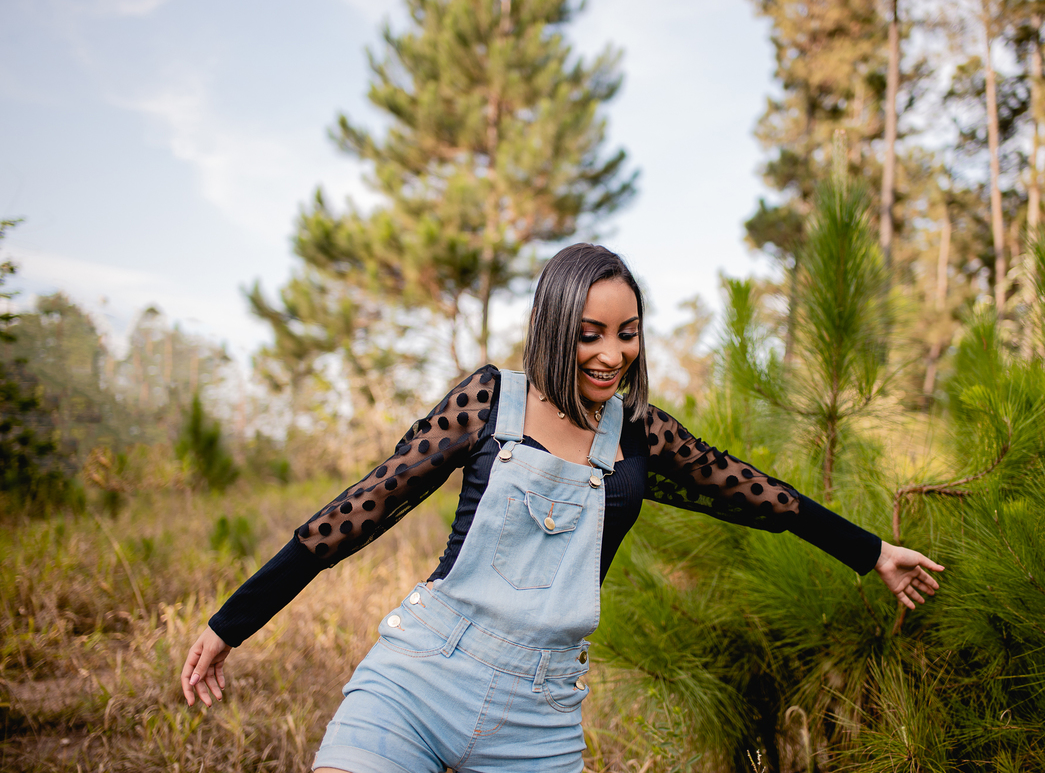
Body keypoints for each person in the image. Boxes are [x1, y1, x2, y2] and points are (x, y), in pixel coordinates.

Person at [180, 243, 942, 773]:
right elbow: (358, 511)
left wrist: (871, 550)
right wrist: (230, 623)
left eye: (627, 333)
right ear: (554, 328)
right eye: (590, 335)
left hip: (539, 712)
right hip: (421, 674)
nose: (613, 354)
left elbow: (753, 492)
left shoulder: (639, 432)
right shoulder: (488, 402)